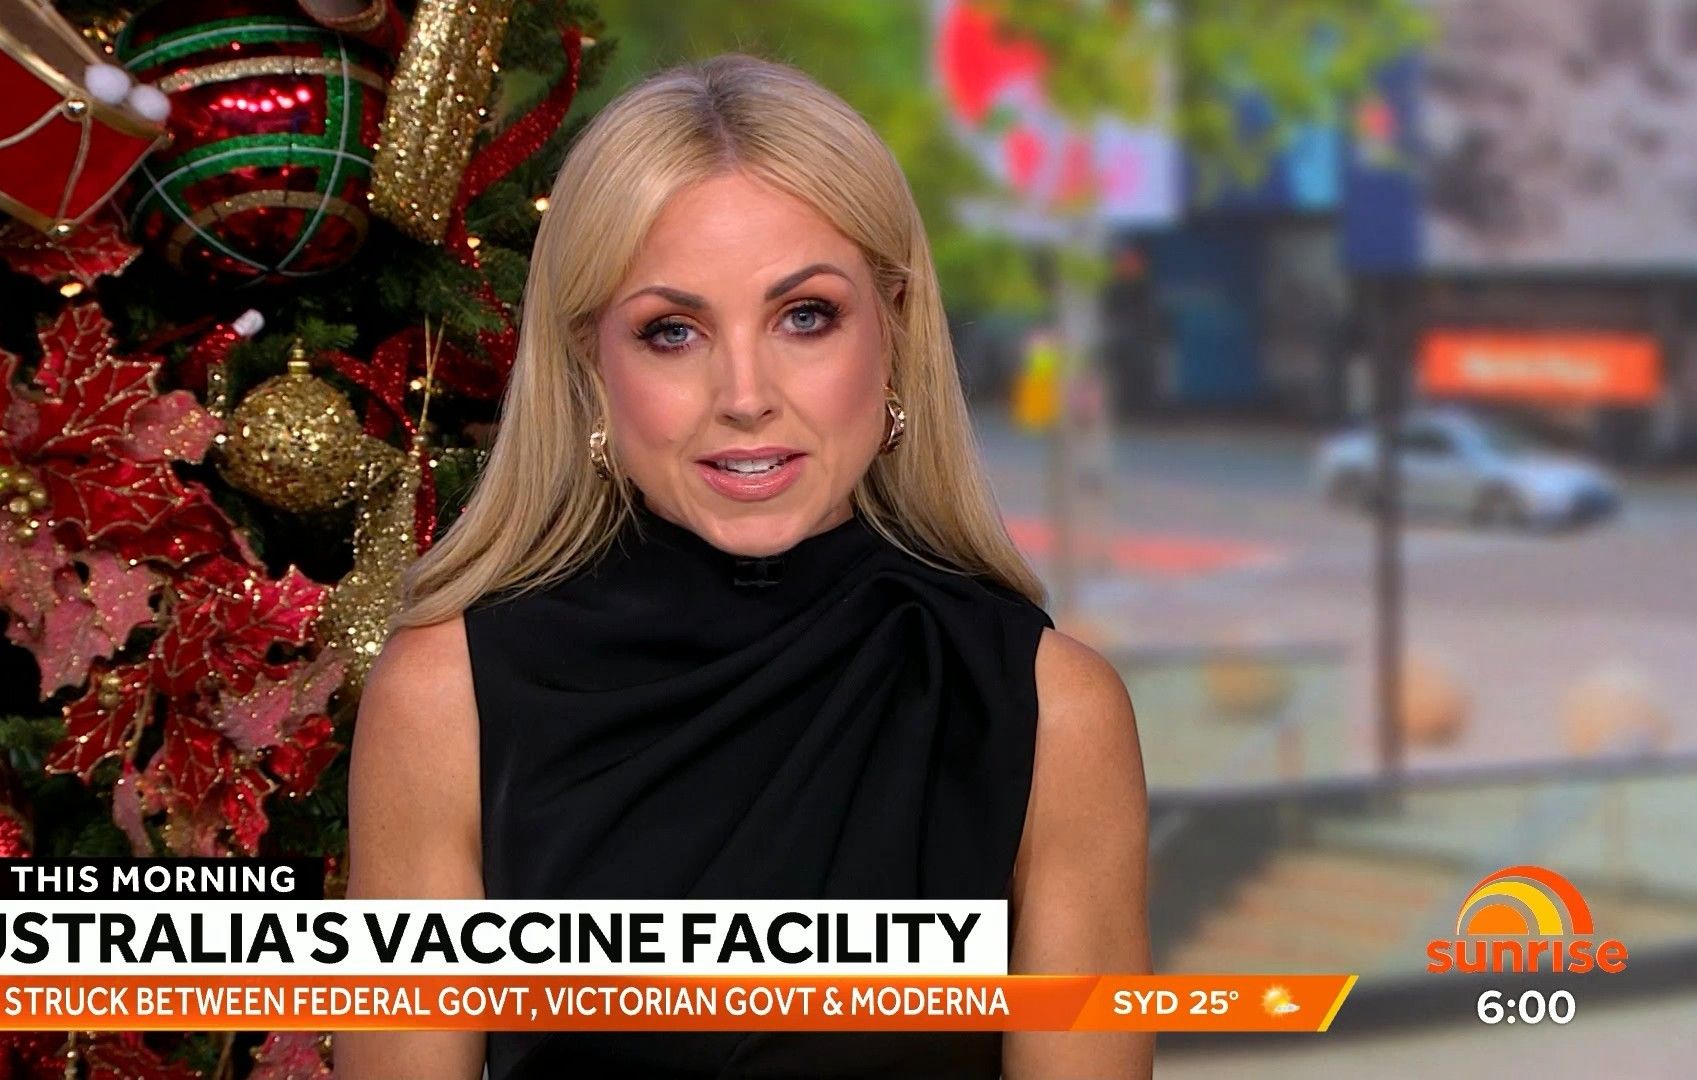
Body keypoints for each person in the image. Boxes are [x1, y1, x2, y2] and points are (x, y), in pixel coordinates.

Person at [336, 53, 1150, 1080]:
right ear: (592, 366)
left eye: (805, 316)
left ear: (894, 330)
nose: (745, 394)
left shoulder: (1052, 712)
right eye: (672, 332)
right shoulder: (445, 696)